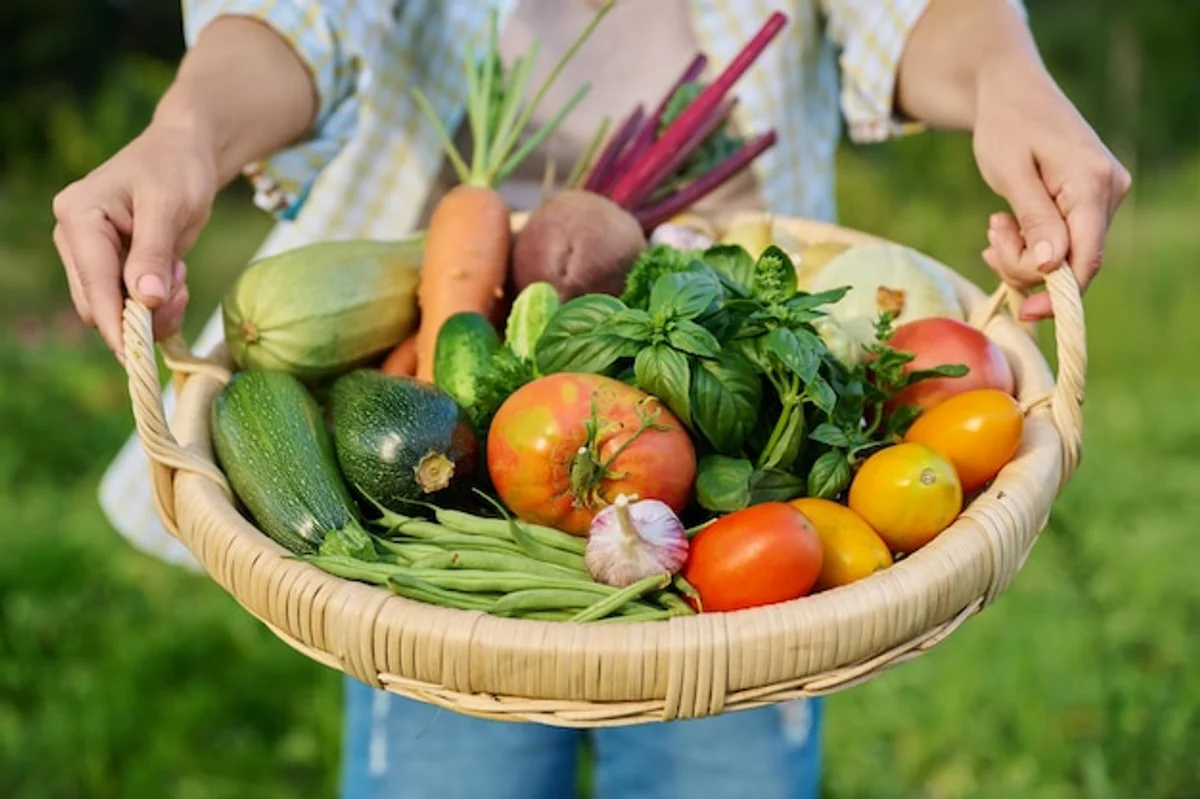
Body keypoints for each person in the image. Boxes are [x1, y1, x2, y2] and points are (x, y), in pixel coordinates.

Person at [52, 1, 1130, 797]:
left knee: (727, 769)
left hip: (719, 344)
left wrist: (1009, 81)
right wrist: (183, 132)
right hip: (432, 419)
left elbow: (914, 17)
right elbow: (300, 20)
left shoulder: (740, 380)